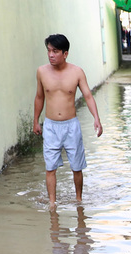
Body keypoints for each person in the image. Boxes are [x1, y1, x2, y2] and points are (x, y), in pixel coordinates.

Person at [33, 33, 103, 208]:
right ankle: (52, 203)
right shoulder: (42, 71)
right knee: (50, 167)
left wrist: (97, 119)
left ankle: (79, 200)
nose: (51, 55)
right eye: (49, 51)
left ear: (65, 53)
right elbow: (39, 97)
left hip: (71, 125)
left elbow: (88, 95)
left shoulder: (77, 72)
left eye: (55, 51)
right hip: (50, 126)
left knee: (76, 166)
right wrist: (35, 121)